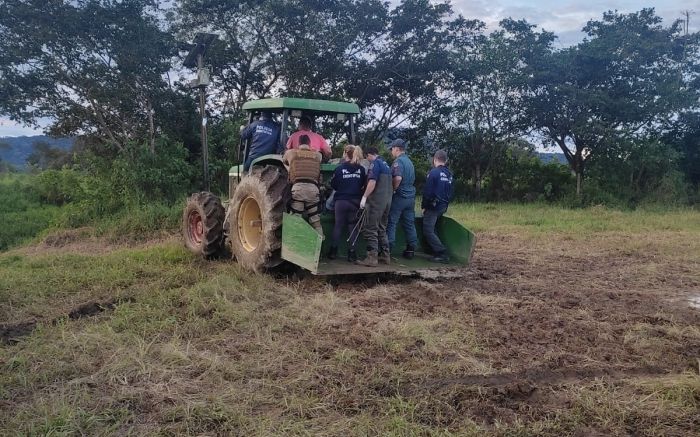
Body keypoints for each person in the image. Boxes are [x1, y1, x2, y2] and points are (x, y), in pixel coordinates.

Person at [328, 145, 367, 262]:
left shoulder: (339, 169)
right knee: (353, 227)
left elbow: (333, 185)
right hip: (355, 202)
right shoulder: (361, 169)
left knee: (338, 225)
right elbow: (362, 185)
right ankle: (352, 254)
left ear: (345, 154)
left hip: (341, 201)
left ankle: (333, 252)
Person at [356, 146, 392, 266]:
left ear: (369, 155)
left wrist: (364, 197)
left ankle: (372, 258)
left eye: (367, 157)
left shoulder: (375, 164)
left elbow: (372, 182)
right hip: (387, 201)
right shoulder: (386, 164)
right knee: (382, 228)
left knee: (371, 228)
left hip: (376, 202)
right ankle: (385, 256)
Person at [282, 135, 324, 236]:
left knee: (296, 219)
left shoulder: (291, 153)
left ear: (298, 143)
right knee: (316, 221)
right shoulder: (318, 155)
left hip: (298, 190)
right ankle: (319, 244)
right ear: (310, 144)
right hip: (313, 191)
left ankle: (295, 246)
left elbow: (284, 161)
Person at [386, 138, 418, 259]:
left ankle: (388, 249)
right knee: (409, 223)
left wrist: (393, 189)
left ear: (396, 149)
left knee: (392, 222)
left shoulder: (398, 162)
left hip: (400, 196)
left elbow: (398, 178)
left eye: (392, 149)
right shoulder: (410, 162)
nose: (391, 152)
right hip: (411, 197)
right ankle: (411, 248)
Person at [422, 149, 454, 263]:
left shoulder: (433, 173)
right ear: (445, 161)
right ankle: (435, 250)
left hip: (433, 206)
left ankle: (441, 253)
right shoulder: (449, 174)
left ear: (435, 159)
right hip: (443, 206)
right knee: (433, 228)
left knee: (428, 229)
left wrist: (424, 206)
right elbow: (451, 192)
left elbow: (428, 192)